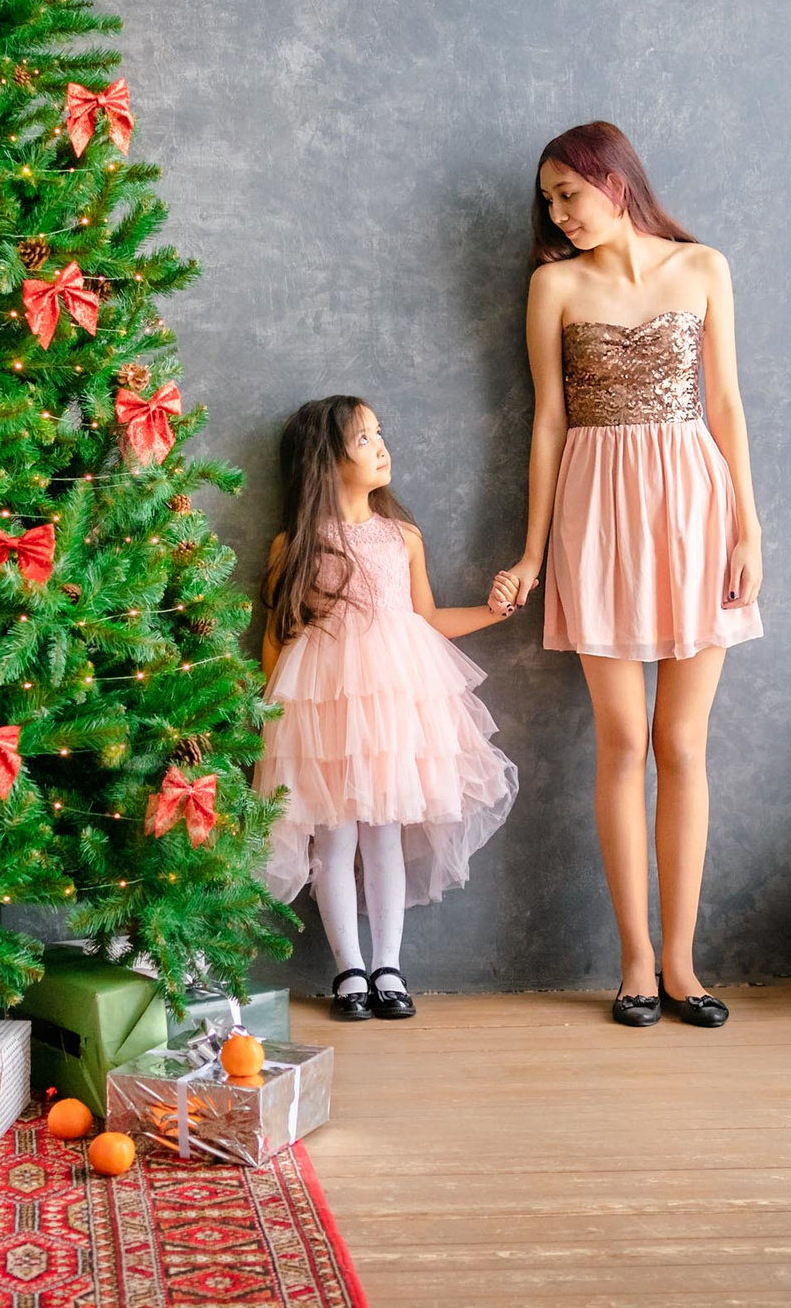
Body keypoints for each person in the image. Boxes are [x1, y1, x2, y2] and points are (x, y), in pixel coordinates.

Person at [488, 121, 764, 1029]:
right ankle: (635, 961)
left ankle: (684, 962)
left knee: (683, 743)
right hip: (596, 514)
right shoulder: (553, 286)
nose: (557, 213)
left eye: (569, 192)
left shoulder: (704, 267)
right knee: (623, 741)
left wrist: (748, 528)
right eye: (548, 199)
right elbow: (547, 425)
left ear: (617, 180)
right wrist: (532, 551)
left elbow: (725, 402)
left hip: (695, 508)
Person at [255, 396, 521, 1021]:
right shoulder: (293, 544)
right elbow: (277, 638)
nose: (381, 445)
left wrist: (491, 612)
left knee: (384, 835)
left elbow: (424, 620)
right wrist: (275, 727)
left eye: (380, 432)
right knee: (333, 837)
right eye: (364, 438)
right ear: (327, 459)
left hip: (394, 708)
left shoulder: (402, 537)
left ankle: (388, 968)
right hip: (324, 714)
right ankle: (348, 970)